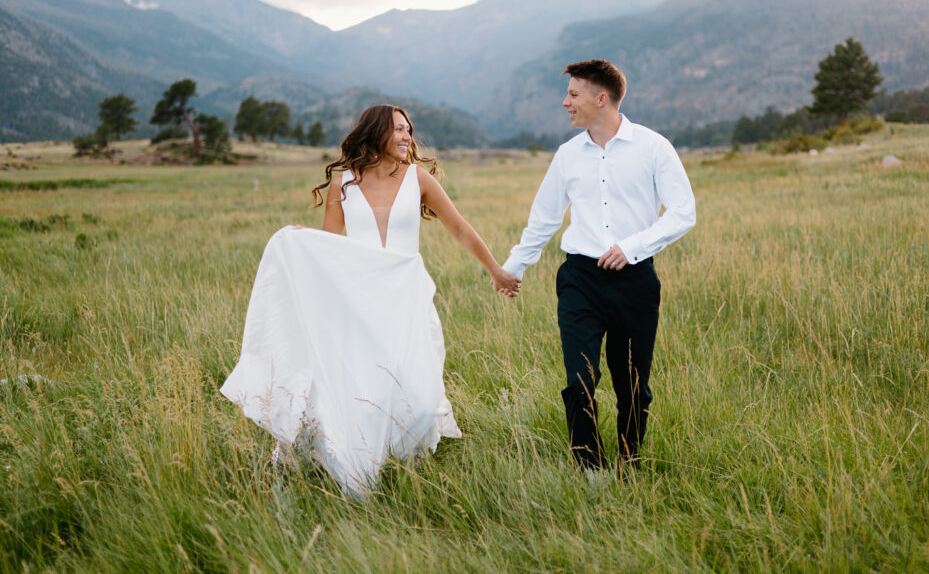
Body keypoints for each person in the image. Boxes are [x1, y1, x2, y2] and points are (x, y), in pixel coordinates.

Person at [221, 104, 520, 496]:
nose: (407, 137)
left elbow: (459, 228)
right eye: (398, 129)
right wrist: (300, 239)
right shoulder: (343, 183)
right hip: (357, 298)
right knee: (362, 383)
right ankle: (359, 459)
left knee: (420, 390)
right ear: (376, 132)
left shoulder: (420, 179)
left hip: (406, 296)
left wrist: (496, 270)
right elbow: (331, 247)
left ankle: (406, 458)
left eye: (409, 130)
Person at [501, 59, 696, 471]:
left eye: (573, 94)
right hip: (580, 280)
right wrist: (514, 267)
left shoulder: (654, 147)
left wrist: (633, 246)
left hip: (635, 280)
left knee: (633, 386)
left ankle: (630, 465)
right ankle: (590, 471)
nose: (565, 102)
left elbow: (683, 212)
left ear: (600, 98)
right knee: (579, 382)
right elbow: (545, 218)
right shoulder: (567, 155)